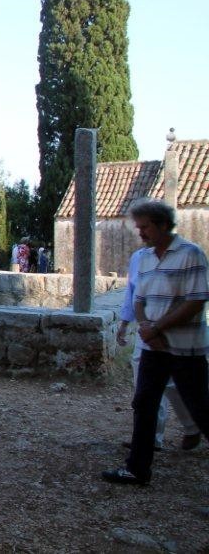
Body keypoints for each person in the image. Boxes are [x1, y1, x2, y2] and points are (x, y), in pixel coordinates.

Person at [103, 199, 209, 486]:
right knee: (144, 403)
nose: (140, 233)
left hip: (185, 348)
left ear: (163, 225)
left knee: (200, 407)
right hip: (154, 347)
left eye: (145, 227)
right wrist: (146, 327)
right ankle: (137, 469)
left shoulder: (191, 254)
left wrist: (157, 328)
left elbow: (196, 301)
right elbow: (139, 298)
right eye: (139, 227)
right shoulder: (146, 258)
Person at [115, 246, 199, 451]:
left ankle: (193, 425)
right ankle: (149, 438)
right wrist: (125, 323)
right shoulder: (139, 256)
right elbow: (133, 292)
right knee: (145, 385)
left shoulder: (185, 254)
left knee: (171, 382)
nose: (141, 233)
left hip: (171, 329)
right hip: (146, 331)